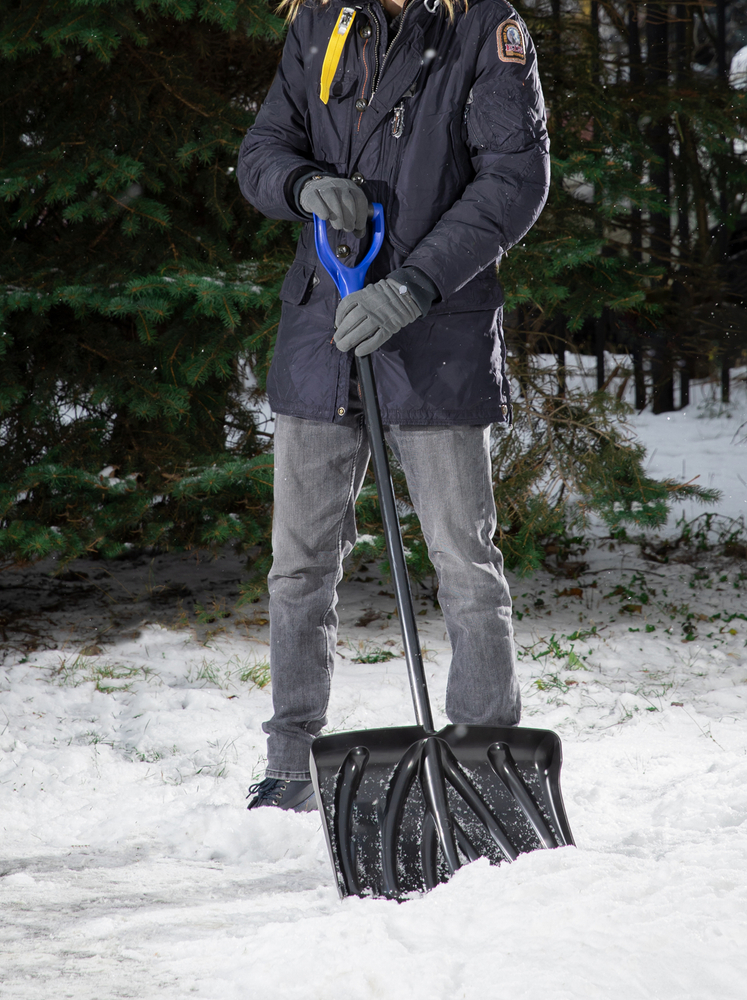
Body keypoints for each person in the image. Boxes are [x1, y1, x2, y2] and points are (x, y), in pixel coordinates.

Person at [237, 0, 549, 810]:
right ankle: (289, 760)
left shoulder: (486, 28)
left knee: (464, 564)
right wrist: (303, 184)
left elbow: (515, 180)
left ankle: (486, 759)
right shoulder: (320, 24)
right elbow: (262, 150)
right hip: (322, 326)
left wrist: (413, 286)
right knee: (298, 566)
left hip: (435, 336)